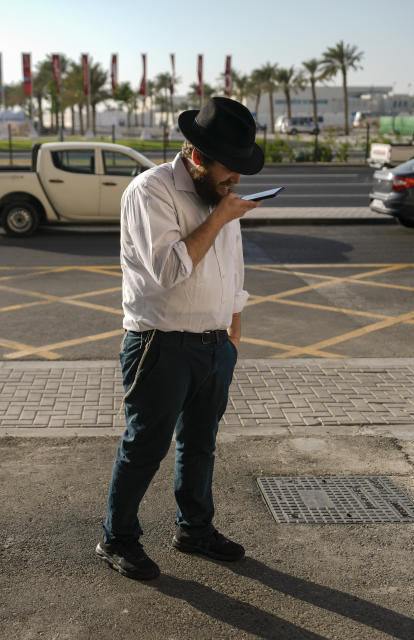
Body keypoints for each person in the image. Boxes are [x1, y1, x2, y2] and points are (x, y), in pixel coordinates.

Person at [95, 97, 264, 580]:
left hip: (215, 347)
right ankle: (117, 537)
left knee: (200, 442)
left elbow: (232, 269)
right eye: (229, 171)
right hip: (160, 346)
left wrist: (233, 333)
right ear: (196, 157)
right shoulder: (150, 192)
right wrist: (220, 217)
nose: (235, 182)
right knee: (145, 446)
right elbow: (169, 270)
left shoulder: (220, 197)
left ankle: (194, 529)